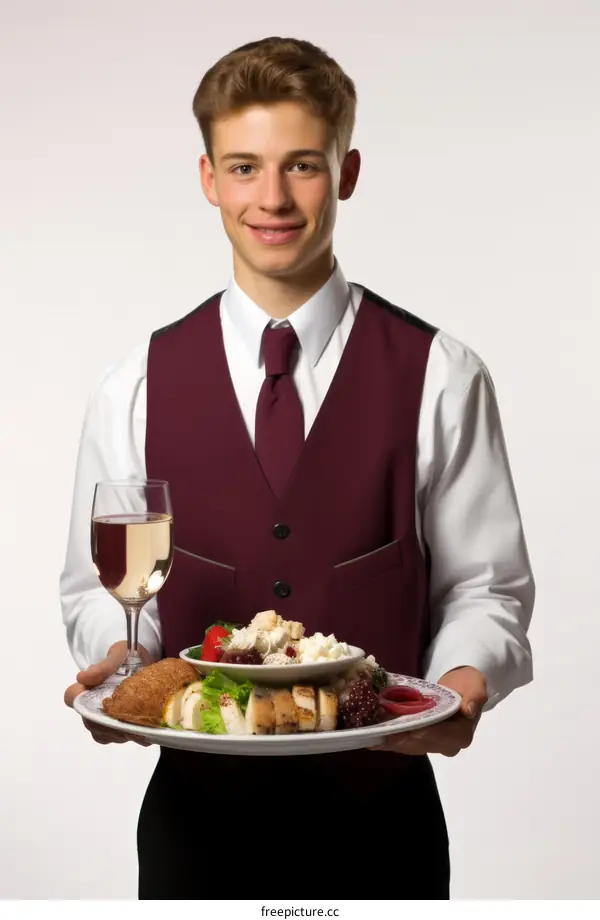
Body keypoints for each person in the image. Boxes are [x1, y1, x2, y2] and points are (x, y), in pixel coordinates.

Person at [61, 36, 535, 900]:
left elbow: (487, 587)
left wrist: (466, 688)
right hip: (192, 830)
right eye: (244, 167)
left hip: (384, 825)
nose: (271, 198)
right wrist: (123, 667)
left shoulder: (440, 373)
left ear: (346, 173)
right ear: (209, 178)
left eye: (302, 166)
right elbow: (97, 588)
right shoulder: (135, 383)